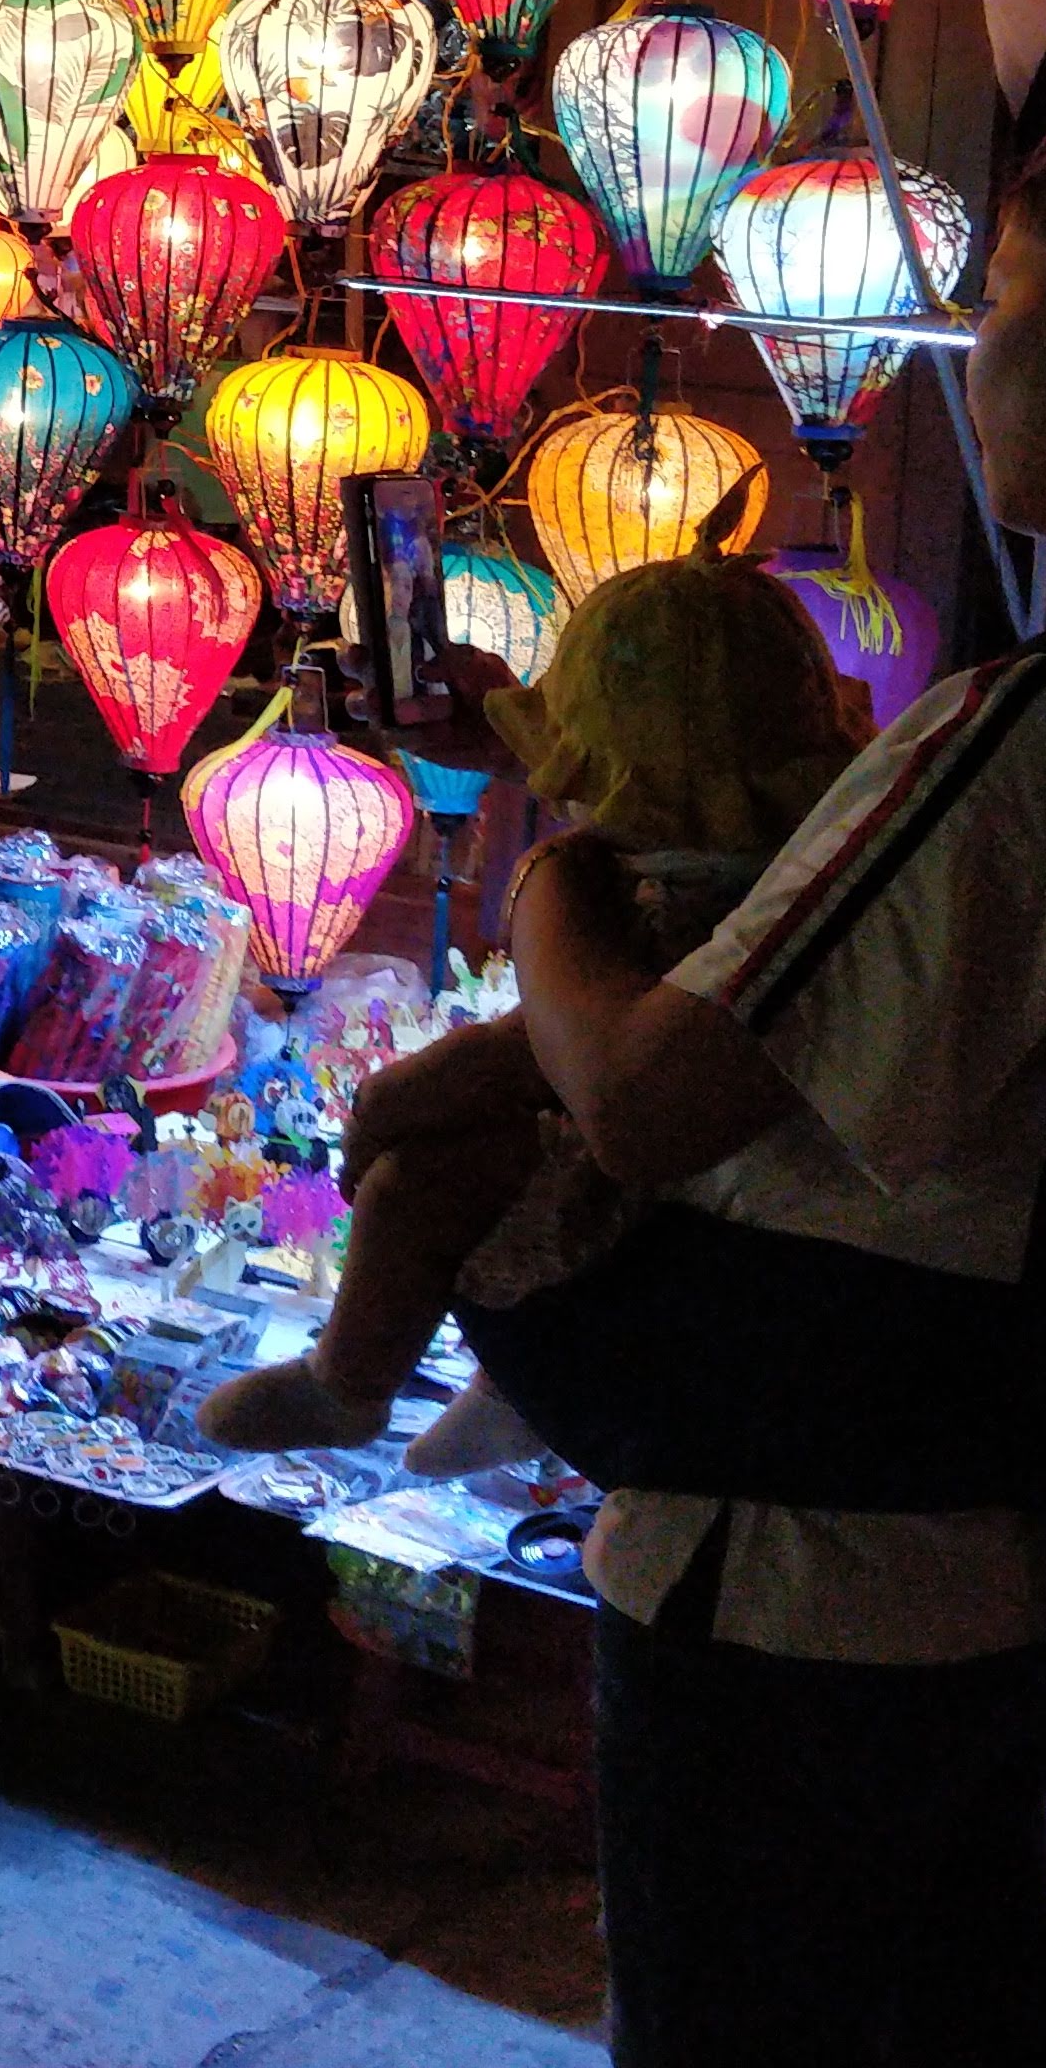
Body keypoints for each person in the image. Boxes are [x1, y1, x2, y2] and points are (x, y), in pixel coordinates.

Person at [351, 86, 1046, 2066]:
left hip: (790, 1581)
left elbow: (651, 1094)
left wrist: (550, 887)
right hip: (1005, 1546)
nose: (976, 353)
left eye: (1005, 296)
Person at [199, 538, 871, 1459]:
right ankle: (501, 1385)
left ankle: (354, 1383)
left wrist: (390, 1102)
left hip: (671, 1202)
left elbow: (555, 1056)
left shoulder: (696, 898)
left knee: (416, 1183)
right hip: (706, 1196)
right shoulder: (817, 843)